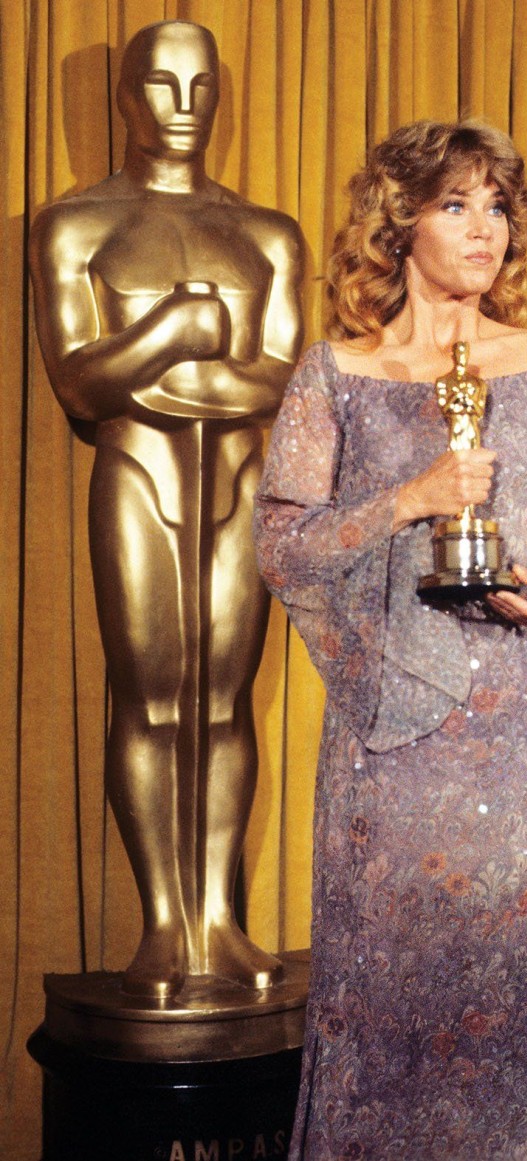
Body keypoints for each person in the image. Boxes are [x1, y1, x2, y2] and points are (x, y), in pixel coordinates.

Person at [253, 120, 527, 1159]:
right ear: (399, 223)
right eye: (455, 204)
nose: (484, 229)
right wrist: (409, 499)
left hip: (515, 726)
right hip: (388, 736)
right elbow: (282, 545)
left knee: (515, 982)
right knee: (383, 983)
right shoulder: (336, 372)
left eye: (498, 208)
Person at [29, 21, 303, 1000]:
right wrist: (176, 332)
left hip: (238, 482)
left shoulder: (266, 233)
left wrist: (147, 373)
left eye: (200, 86)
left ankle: (217, 921)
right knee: (149, 699)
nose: (182, 107)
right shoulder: (74, 226)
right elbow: (77, 382)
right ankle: (162, 926)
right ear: (124, 96)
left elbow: (284, 382)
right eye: (159, 85)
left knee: (225, 703)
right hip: (137, 476)